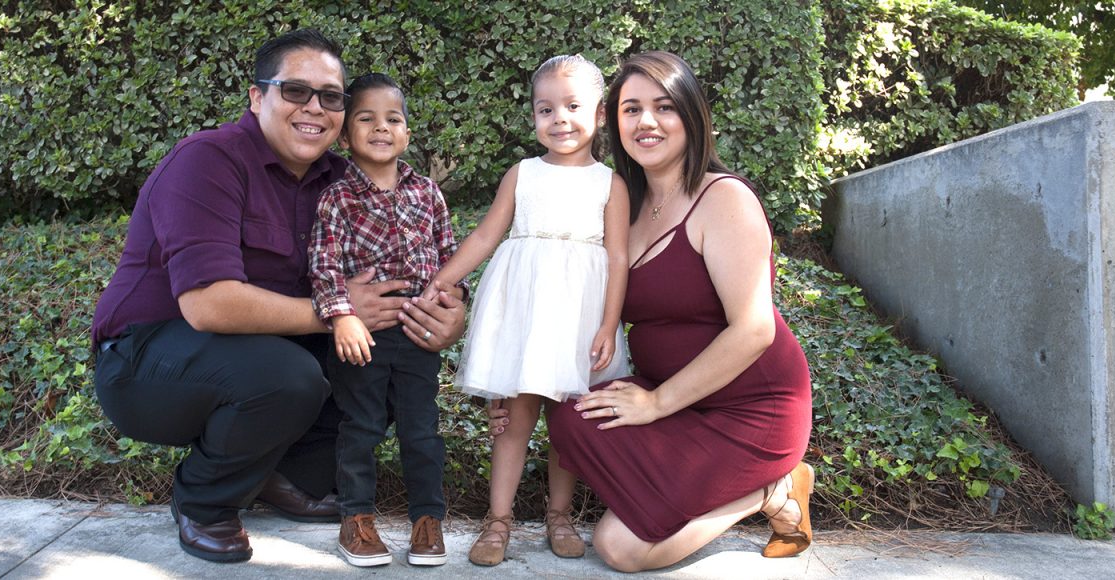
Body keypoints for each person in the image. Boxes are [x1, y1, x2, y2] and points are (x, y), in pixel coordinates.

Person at [90, 29, 466, 564]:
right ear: (256, 96)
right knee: (287, 375)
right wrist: (339, 311)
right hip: (148, 362)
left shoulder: (342, 181)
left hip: (268, 347)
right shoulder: (207, 160)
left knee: (380, 363)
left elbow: (405, 271)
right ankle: (203, 501)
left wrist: (447, 317)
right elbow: (209, 305)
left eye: (331, 97)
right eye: (295, 91)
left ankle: (277, 476)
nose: (314, 107)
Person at [543, 51, 815, 572]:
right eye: (631, 109)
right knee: (573, 418)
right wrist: (515, 382)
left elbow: (755, 329)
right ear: (613, 121)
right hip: (680, 407)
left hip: (754, 410)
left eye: (664, 107)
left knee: (620, 549)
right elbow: (571, 297)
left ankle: (771, 490)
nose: (646, 121)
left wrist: (658, 403)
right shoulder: (626, 204)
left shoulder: (723, 198)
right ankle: (690, 491)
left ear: (691, 116)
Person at [425, 54, 630, 566]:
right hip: (524, 309)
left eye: (573, 106)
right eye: (546, 109)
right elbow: (486, 234)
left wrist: (608, 324)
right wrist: (442, 279)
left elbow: (619, 256)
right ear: (534, 117)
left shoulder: (611, 183)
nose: (559, 118)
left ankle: (559, 515)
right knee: (515, 421)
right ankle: (498, 521)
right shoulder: (523, 174)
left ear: (600, 115)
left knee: (567, 424)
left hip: (579, 313)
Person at [308, 72, 464, 568]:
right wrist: (341, 318)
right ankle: (356, 520)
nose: (381, 127)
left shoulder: (428, 194)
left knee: (422, 430)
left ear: (407, 133)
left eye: (392, 118)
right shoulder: (336, 198)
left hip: (419, 334)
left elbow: (449, 255)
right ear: (346, 134)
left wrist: (455, 299)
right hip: (364, 335)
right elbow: (323, 265)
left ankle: (427, 520)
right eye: (366, 118)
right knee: (361, 427)